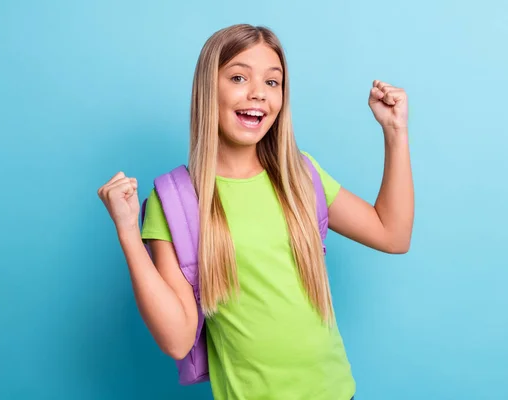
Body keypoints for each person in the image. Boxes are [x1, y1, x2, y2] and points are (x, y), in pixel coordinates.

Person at [97, 23, 414, 400]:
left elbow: (392, 235)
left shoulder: (300, 176)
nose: (258, 94)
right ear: (207, 89)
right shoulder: (175, 201)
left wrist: (396, 133)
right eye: (238, 77)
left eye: (272, 82)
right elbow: (178, 340)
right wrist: (128, 232)